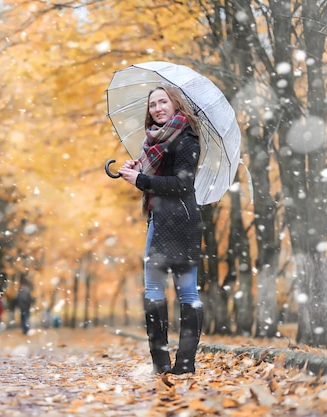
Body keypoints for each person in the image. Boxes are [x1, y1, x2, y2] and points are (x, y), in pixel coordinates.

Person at [117, 85, 204, 375]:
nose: (157, 108)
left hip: (182, 223)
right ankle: (161, 362)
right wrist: (137, 169)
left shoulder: (187, 136)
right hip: (159, 220)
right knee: (154, 290)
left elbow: (182, 184)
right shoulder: (153, 144)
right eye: (153, 104)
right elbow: (157, 176)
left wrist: (140, 179)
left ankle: (185, 362)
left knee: (187, 293)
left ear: (175, 103)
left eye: (162, 101)